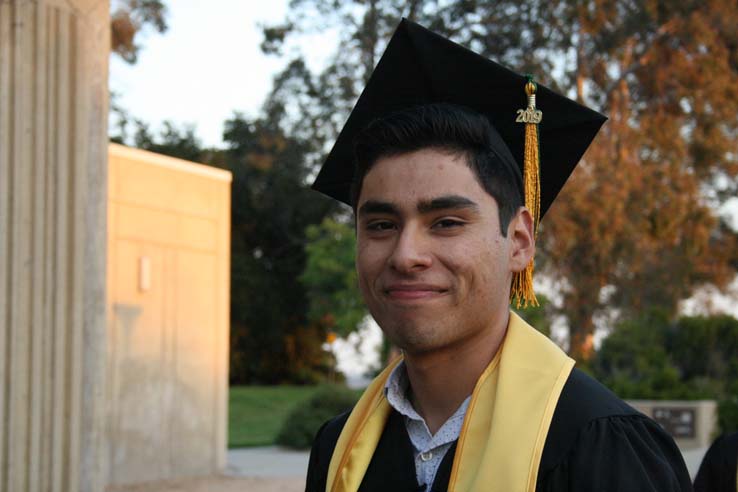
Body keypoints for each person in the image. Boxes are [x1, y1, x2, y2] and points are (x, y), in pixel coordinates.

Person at [306, 19, 692, 492]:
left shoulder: (601, 449)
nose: (406, 255)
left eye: (446, 222)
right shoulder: (338, 449)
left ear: (519, 241)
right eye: (382, 225)